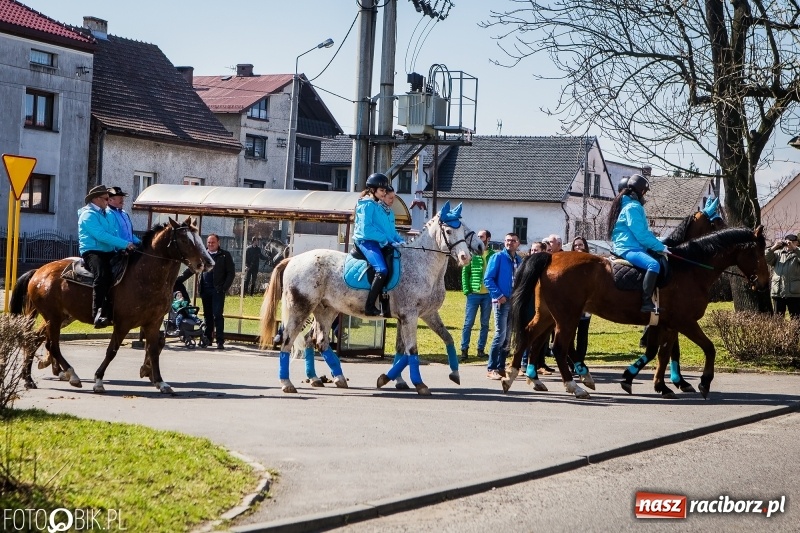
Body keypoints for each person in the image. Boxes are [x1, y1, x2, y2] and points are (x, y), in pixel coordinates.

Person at [78, 185, 137, 328]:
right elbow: (101, 235)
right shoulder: (88, 214)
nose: (107, 201)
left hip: (109, 251)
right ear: (96, 199)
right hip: (93, 251)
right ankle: (97, 313)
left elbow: (114, 233)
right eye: (105, 198)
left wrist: (133, 245)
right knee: (102, 275)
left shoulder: (107, 214)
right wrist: (125, 244)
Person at [607, 173, 667, 313]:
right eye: (645, 192)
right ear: (642, 191)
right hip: (628, 248)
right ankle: (646, 302)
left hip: (631, 245)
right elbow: (641, 234)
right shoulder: (633, 207)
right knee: (653, 264)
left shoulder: (626, 204)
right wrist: (661, 247)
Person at [352, 172, 404, 316]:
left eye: (384, 191)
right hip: (365, 242)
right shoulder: (366, 205)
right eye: (381, 191)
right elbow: (366, 230)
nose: (384, 193)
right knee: (381, 269)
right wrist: (384, 239)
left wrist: (399, 241)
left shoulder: (376, 206)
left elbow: (387, 231)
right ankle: (369, 306)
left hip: (376, 241)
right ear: (373, 190)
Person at [483, 232, 522, 380]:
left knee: (507, 337)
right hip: (501, 302)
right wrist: (499, 296)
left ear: (518, 243)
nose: (509, 243)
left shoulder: (519, 260)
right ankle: (491, 368)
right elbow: (488, 279)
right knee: (500, 335)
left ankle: (500, 367)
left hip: (514, 302)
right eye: (507, 240)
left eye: (513, 241)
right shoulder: (497, 257)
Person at [459, 229, 495, 362]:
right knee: (468, 323)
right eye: (478, 236)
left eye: (482, 236)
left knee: (485, 324)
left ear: (488, 238)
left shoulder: (492, 255)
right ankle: (464, 349)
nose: (479, 238)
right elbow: (465, 272)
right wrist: (467, 291)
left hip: (488, 295)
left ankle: (481, 349)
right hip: (473, 294)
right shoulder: (472, 254)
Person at [198, 234, 235, 349]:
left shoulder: (224, 255)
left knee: (217, 315)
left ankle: (220, 340)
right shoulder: (203, 255)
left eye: (213, 242)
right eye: (209, 242)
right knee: (207, 315)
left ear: (218, 243)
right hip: (205, 289)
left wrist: (224, 288)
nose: (210, 244)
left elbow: (231, 273)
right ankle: (208, 339)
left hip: (218, 290)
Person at [765, 233, 800, 318]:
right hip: (778, 292)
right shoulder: (778, 254)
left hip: (794, 293)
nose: (789, 244)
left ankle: (796, 332)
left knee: (796, 318)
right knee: (778, 318)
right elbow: (766, 257)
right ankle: (779, 332)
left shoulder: (797, 254)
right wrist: (774, 247)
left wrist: (795, 248)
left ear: (797, 243)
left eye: (793, 242)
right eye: (788, 242)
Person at [570, 236, 592, 365]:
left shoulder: (589, 261)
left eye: (580, 245)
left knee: (583, 335)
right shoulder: (569, 261)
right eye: (576, 245)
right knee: (570, 334)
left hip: (586, 304)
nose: (578, 247)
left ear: (585, 246)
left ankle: (580, 361)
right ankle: (571, 362)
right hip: (572, 304)